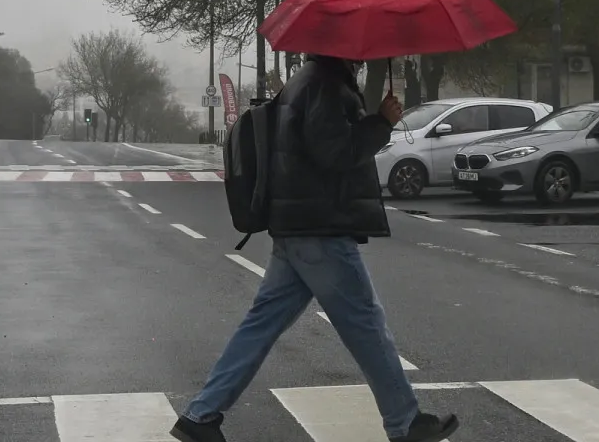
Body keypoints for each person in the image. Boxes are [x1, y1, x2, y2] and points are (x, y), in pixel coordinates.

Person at [171, 54, 459, 442]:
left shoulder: (307, 80)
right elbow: (334, 154)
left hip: (297, 225)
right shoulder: (325, 85)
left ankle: (200, 417)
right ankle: (406, 422)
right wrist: (380, 123)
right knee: (366, 323)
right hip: (320, 227)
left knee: (261, 325)